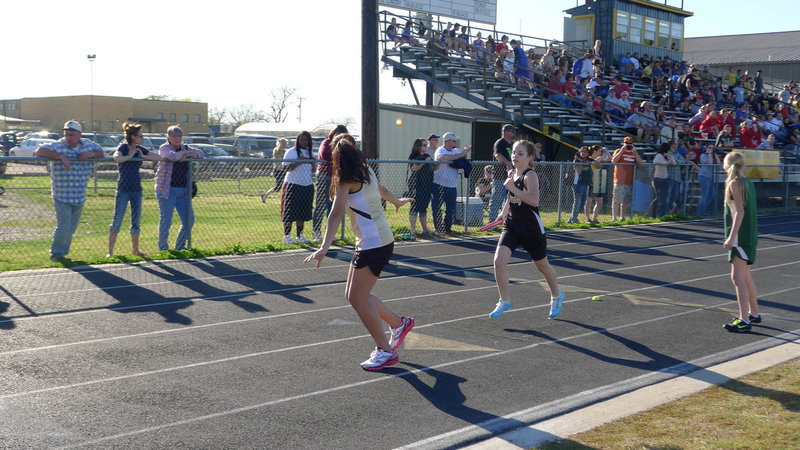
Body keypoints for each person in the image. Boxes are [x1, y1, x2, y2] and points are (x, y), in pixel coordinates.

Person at [304, 134, 415, 370]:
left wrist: (324, 247)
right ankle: (399, 323)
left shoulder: (345, 178)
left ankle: (386, 350)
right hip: (376, 240)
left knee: (357, 297)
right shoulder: (366, 170)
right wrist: (396, 201)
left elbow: (336, 213)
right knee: (355, 295)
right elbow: (381, 189)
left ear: (336, 157)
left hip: (374, 243)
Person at [488, 140, 564, 320]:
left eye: (520, 153)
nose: (515, 156)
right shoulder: (511, 173)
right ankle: (504, 300)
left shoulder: (530, 175)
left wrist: (512, 187)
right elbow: (510, 198)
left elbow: (534, 201)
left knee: (542, 265)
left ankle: (556, 296)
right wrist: (503, 213)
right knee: (499, 261)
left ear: (530, 157)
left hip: (531, 228)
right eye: (514, 152)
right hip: (512, 226)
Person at [34, 120, 105, 262]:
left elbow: (101, 153)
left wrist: (90, 154)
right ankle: (57, 254)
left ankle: (63, 252)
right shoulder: (57, 145)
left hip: (79, 195)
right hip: (62, 195)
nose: (68, 137)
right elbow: (39, 151)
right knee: (64, 226)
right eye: (66, 134)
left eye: (72, 135)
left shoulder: (88, 145)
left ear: (79, 135)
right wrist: (60, 157)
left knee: (71, 227)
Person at [107, 122, 162, 257]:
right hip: (123, 189)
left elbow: (159, 157)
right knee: (117, 219)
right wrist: (129, 156)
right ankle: (110, 252)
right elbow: (116, 158)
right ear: (132, 136)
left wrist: (143, 156)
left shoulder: (139, 149)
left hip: (137, 189)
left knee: (136, 220)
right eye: (139, 135)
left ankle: (135, 250)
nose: (142, 138)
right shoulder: (123, 147)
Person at [721, 152, 760, 332]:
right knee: (745, 277)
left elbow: (740, 212)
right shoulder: (748, 182)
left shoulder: (735, 183)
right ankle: (754, 313)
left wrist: (731, 237)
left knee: (737, 278)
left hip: (741, 237)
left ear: (727, 165)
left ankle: (744, 320)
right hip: (747, 235)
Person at [155, 125, 206, 251]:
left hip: (184, 190)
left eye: (179, 136)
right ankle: (163, 248)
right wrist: (185, 154)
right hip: (167, 190)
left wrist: (187, 153)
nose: (177, 138)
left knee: (189, 220)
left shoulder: (186, 147)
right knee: (166, 220)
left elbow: (201, 154)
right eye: (174, 136)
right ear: (168, 137)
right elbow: (173, 156)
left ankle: (180, 246)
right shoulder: (164, 148)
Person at [313, 125, 349, 242]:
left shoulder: (342, 145)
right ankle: (316, 233)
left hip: (335, 178)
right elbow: (325, 155)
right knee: (321, 205)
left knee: (332, 206)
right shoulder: (326, 142)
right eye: (340, 135)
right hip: (324, 177)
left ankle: (329, 234)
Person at [432, 132, 471, 234]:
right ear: (447, 141)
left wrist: (465, 153)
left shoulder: (455, 151)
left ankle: (447, 228)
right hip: (439, 184)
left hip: (452, 185)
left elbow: (462, 159)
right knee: (437, 208)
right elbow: (446, 158)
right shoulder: (440, 150)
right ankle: (438, 229)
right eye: (453, 141)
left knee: (451, 209)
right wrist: (461, 153)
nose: (455, 143)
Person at [281, 131, 315, 244]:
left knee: (302, 212)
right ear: (298, 140)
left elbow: (313, 171)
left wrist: (313, 164)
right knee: (290, 212)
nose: (303, 142)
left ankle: (300, 235)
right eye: (301, 139)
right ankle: (287, 235)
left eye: (306, 140)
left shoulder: (309, 152)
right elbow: (285, 168)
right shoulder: (292, 151)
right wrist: (298, 162)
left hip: (307, 185)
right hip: (293, 184)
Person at [611, 136, 643, 222]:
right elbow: (613, 161)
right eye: (627, 143)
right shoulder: (618, 151)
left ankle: (622, 217)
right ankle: (614, 218)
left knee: (625, 201)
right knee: (617, 199)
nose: (628, 145)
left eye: (630, 143)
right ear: (623, 143)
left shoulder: (634, 152)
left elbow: (640, 163)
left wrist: (636, 153)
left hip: (629, 180)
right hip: (619, 180)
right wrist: (622, 150)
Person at [407, 138, 434, 236]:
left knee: (423, 207)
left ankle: (425, 229)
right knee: (415, 206)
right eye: (424, 145)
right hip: (416, 184)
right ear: (418, 146)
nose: (426, 147)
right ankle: (413, 230)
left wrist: (439, 162)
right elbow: (414, 168)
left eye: (426, 145)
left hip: (427, 184)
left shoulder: (427, 156)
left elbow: (434, 168)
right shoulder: (413, 156)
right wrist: (425, 162)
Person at [490, 124, 515, 222]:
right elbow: (497, 155)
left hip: (510, 176)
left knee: (509, 200)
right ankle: (493, 222)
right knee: (496, 199)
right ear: (506, 132)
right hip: (500, 176)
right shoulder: (500, 143)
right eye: (512, 131)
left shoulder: (512, 144)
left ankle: (506, 221)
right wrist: (507, 163)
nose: (514, 133)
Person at [649, 143, 676, 218]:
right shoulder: (659, 155)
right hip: (658, 178)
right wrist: (666, 163)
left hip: (665, 178)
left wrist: (669, 156)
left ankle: (662, 214)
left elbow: (674, 163)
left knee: (665, 197)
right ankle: (653, 213)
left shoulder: (667, 156)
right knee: (657, 198)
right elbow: (655, 162)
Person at [567, 147, 592, 224]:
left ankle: (572, 218)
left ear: (588, 153)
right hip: (577, 183)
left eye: (585, 152)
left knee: (582, 202)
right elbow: (579, 171)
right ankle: (574, 219)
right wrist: (581, 162)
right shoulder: (576, 161)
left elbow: (597, 163)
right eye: (582, 151)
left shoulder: (589, 160)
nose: (583, 153)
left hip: (585, 183)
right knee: (577, 201)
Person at [586, 145, 610, 224]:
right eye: (599, 151)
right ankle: (588, 219)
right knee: (589, 201)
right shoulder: (589, 158)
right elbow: (594, 162)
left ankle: (594, 219)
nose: (601, 152)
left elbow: (610, 159)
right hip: (591, 183)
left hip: (599, 182)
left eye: (601, 151)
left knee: (600, 202)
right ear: (594, 151)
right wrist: (603, 155)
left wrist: (607, 152)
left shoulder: (600, 158)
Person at [697, 144, 720, 216]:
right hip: (704, 176)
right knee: (705, 194)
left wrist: (715, 153)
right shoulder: (703, 155)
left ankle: (703, 209)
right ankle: (701, 212)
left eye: (712, 148)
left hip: (710, 177)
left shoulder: (712, 156)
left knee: (711, 194)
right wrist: (709, 153)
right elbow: (709, 163)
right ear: (706, 148)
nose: (711, 149)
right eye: (709, 147)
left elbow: (719, 163)